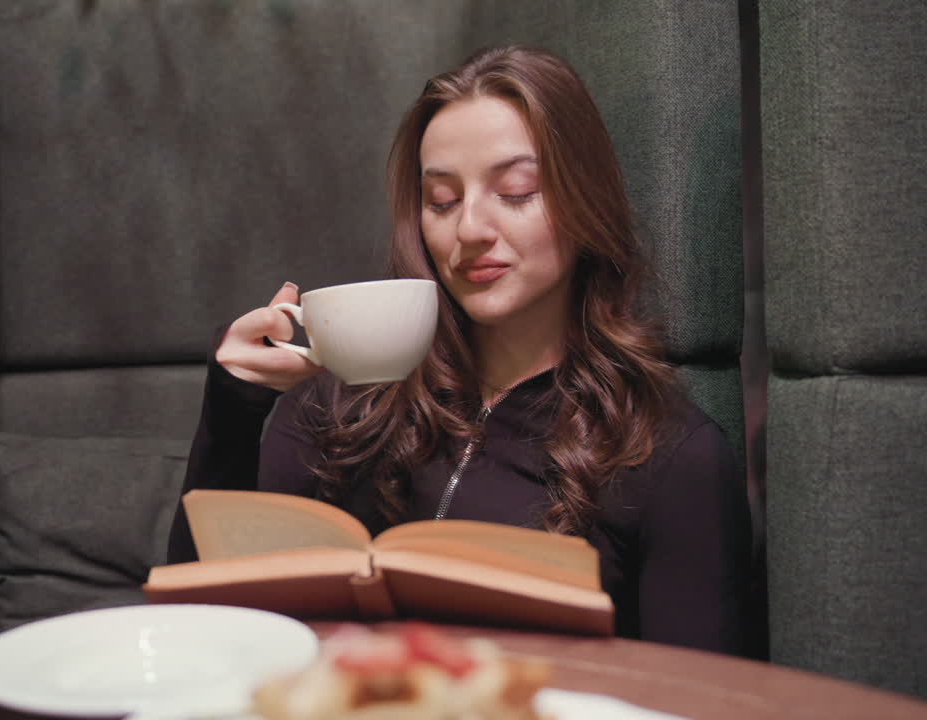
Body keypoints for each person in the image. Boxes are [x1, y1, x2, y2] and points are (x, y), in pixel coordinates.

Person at [167, 46, 752, 656]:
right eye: (442, 201)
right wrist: (232, 411)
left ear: (585, 200)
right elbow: (195, 629)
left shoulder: (670, 457)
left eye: (517, 191)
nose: (469, 229)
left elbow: (699, 693)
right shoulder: (338, 408)